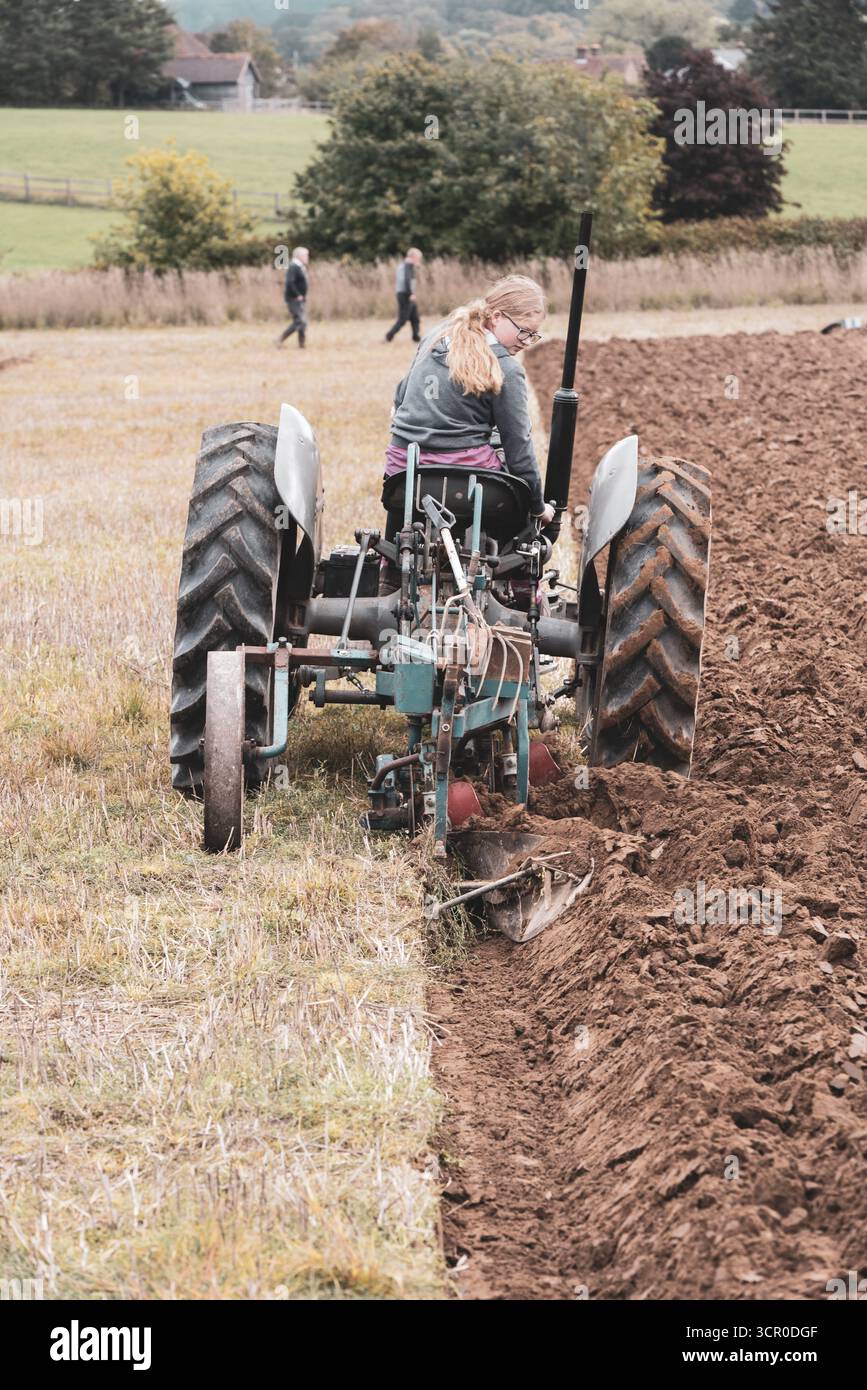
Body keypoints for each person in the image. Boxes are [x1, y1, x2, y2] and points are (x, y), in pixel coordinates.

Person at [383, 274, 556, 540]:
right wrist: (537, 507)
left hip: (402, 470)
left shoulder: (434, 337)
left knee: (408, 493)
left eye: (533, 335)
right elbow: (518, 448)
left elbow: (400, 396)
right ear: (496, 317)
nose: (525, 340)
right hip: (466, 477)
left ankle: (392, 570)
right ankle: (519, 579)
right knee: (517, 492)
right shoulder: (506, 368)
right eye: (523, 330)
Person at [385, 248, 423, 343]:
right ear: (413, 257)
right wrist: (411, 293)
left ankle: (416, 337)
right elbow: (407, 279)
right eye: (418, 258)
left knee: (415, 317)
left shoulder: (403, 265)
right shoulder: (408, 265)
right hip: (406, 294)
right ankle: (389, 336)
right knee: (403, 319)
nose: (418, 260)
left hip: (403, 293)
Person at [276, 246, 309, 349]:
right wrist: (297, 294)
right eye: (306, 255)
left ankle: (301, 345)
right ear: (299, 256)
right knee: (300, 321)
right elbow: (290, 282)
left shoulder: (298, 266)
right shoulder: (293, 266)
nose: (307, 257)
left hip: (298, 298)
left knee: (302, 322)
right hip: (293, 299)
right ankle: (280, 339)